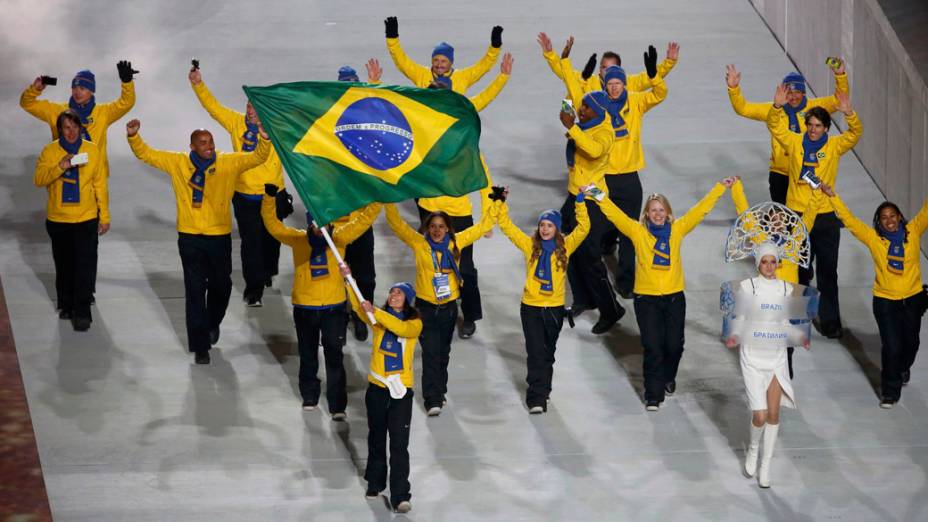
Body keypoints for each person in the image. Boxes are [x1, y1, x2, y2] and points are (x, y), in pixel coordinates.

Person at [125, 119, 270, 365]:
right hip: (190, 237)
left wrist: (264, 139)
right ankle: (200, 345)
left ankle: (211, 323)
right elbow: (147, 155)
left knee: (221, 286)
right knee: (194, 291)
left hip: (219, 237)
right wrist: (133, 136)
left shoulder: (228, 162)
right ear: (192, 146)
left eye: (211, 141)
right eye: (203, 143)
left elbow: (256, 158)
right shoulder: (178, 162)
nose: (209, 146)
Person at [596, 177, 735, 410]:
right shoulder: (638, 232)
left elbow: (700, 210)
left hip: (673, 298)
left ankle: (668, 377)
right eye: (653, 210)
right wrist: (595, 194)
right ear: (646, 214)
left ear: (668, 213)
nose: (657, 214)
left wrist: (720, 188)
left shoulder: (678, 230)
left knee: (674, 346)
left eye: (661, 210)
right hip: (646, 299)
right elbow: (614, 214)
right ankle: (653, 394)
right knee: (652, 346)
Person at [21, 62, 138, 301]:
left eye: (83, 88)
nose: (77, 91)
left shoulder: (103, 113)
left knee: (88, 246)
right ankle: (68, 293)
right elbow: (27, 104)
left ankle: (86, 290)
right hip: (62, 180)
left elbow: (126, 103)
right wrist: (35, 89)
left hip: (91, 184)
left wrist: (127, 83)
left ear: (92, 91)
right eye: (75, 87)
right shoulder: (58, 111)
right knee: (65, 247)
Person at [261, 184, 380, 416]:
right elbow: (273, 226)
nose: (319, 228)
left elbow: (364, 220)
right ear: (308, 223)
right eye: (315, 223)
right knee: (307, 356)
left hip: (334, 308)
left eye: (323, 223)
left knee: (335, 357)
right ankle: (309, 394)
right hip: (305, 308)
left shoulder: (340, 239)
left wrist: (379, 196)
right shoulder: (297, 240)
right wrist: (268, 199)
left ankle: (337, 405)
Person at [417, 53, 513, 339]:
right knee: (430, 261)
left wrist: (491, 212)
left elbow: (482, 175)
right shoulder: (423, 131)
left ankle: (469, 314)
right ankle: (430, 307)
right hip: (429, 208)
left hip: (457, 212)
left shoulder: (462, 135)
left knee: (465, 267)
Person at [562, 46, 668, 299]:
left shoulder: (636, 100)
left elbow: (660, 93)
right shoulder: (597, 102)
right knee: (591, 231)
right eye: (611, 83)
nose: (615, 87)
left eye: (619, 82)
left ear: (624, 83)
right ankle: (594, 284)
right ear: (604, 83)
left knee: (631, 232)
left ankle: (626, 282)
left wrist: (654, 73)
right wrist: (565, 63)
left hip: (630, 178)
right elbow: (574, 95)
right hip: (604, 179)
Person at [383, 197, 499, 416]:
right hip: (425, 308)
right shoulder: (419, 243)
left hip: (449, 308)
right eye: (433, 226)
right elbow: (397, 224)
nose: (437, 231)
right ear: (427, 228)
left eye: (441, 227)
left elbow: (484, 225)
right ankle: (432, 399)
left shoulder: (457, 243)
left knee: (443, 353)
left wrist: (499, 202)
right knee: (430, 353)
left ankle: (440, 391)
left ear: (448, 229)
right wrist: (387, 198)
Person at [188, 63, 289, 307]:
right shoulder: (235, 122)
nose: (250, 111)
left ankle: (267, 271)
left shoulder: (278, 127)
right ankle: (253, 289)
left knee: (272, 239)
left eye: (255, 108)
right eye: (248, 106)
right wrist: (198, 84)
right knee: (251, 243)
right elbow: (213, 108)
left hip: (273, 195)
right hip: (245, 197)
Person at [821, 183, 928, 408]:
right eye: (883, 218)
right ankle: (890, 392)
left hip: (913, 299)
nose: (889, 220)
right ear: (879, 222)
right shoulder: (874, 239)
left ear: (900, 217)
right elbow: (849, 220)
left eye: (892, 216)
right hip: (885, 301)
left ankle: (901, 367)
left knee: (911, 343)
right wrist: (833, 197)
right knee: (891, 346)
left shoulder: (915, 231)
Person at [767, 86, 861, 339]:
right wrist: (776, 107)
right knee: (800, 268)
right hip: (797, 214)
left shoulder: (834, 146)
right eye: (810, 124)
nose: (813, 129)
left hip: (826, 214)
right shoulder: (794, 141)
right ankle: (798, 316)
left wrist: (849, 113)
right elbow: (775, 127)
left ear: (827, 128)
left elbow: (855, 134)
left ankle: (830, 320)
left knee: (828, 270)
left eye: (818, 125)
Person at [496, 189, 590, 413]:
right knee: (536, 352)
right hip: (531, 308)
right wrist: (501, 202)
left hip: (554, 310)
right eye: (542, 225)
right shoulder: (530, 246)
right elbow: (507, 226)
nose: (545, 229)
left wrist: (580, 202)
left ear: (556, 228)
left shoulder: (565, 246)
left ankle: (544, 389)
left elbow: (584, 227)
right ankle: (536, 397)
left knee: (547, 353)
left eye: (549, 225)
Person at [725, 242, 809, 489]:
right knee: (759, 415)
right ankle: (753, 448)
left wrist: (801, 336)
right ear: (758, 263)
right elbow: (739, 318)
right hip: (752, 356)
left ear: (778, 263)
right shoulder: (747, 287)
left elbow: (784, 322)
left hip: (776, 356)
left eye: (773, 261)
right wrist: (735, 336)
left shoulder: (785, 288)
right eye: (765, 261)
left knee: (773, 414)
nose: (769, 266)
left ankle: (765, 466)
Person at [342, 266, 422, 514]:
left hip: (401, 393)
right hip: (377, 389)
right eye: (392, 292)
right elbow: (358, 306)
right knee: (376, 437)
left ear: (407, 301)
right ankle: (375, 482)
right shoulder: (377, 320)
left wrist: (374, 311)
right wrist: (348, 279)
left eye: (399, 293)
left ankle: (400, 495)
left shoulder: (414, 324)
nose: (393, 296)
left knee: (399, 444)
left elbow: (400, 329)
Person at [730, 177, 820, 378]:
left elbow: (809, 216)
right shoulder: (760, 239)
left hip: (787, 301)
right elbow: (745, 215)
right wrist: (737, 187)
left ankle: (784, 373)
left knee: (786, 343)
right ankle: (769, 374)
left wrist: (818, 192)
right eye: (773, 219)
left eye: (781, 220)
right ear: (766, 223)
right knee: (766, 340)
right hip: (764, 300)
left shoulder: (794, 241)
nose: (778, 223)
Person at [725, 61, 849, 205]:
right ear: (783, 92)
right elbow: (743, 108)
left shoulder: (815, 107)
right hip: (780, 173)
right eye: (789, 92)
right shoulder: (773, 109)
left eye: (797, 92)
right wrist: (733, 88)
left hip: (806, 172)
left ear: (804, 93)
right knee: (784, 217)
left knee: (808, 213)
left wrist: (840, 75)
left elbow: (840, 98)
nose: (793, 96)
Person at [33, 110, 110, 331]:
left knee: (84, 265)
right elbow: (39, 179)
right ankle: (66, 303)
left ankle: (83, 312)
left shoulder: (92, 150)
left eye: (75, 127)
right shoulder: (50, 151)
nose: (72, 131)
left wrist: (104, 216)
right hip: (58, 219)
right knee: (64, 263)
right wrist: (61, 166)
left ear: (81, 128)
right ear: (60, 130)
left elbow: (100, 186)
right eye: (67, 127)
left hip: (85, 217)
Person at [558, 91, 625, 334]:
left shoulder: (605, 132)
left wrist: (572, 127)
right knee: (569, 248)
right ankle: (583, 298)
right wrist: (566, 104)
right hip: (574, 195)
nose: (581, 109)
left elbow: (594, 150)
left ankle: (612, 309)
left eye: (586, 107)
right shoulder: (585, 123)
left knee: (590, 257)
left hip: (593, 199)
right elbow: (569, 104)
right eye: (581, 106)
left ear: (598, 110)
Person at [333, 58, 384, 342]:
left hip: (362, 217)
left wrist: (373, 85)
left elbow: (381, 117)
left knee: (365, 274)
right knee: (338, 273)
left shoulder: (365, 125)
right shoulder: (329, 121)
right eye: (344, 87)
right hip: (338, 216)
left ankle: (362, 315)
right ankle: (340, 316)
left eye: (353, 86)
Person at [384, 16, 502, 94]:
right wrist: (392, 38)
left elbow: (484, 65)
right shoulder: (421, 74)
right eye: (436, 60)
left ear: (451, 62)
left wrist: (495, 46)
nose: (439, 64)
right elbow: (401, 61)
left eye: (443, 61)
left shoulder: (462, 77)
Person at [537, 33, 678, 94]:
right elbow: (565, 74)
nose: (606, 71)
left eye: (611, 68)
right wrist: (550, 54)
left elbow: (652, 76)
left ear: (619, 69)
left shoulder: (630, 83)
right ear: (599, 68)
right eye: (604, 67)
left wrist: (669, 62)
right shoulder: (588, 81)